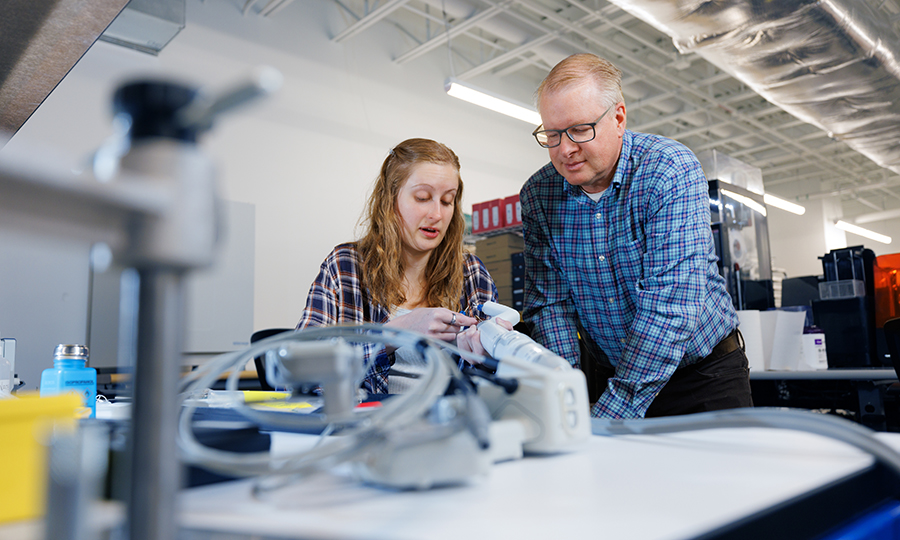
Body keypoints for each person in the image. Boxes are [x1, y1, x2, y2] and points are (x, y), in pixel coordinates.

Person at [520, 53, 752, 419]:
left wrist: (609, 415)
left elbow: (670, 304)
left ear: (618, 118)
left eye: (580, 130)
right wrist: (566, 395)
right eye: (551, 134)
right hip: (609, 377)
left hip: (702, 379)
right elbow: (551, 305)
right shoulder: (539, 195)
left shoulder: (668, 170)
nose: (564, 149)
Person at [297, 138, 500, 394]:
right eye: (423, 197)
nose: (437, 214)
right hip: (368, 428)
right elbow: (297, 373)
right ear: (390, 200)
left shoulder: (471, 273)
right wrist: (397, 332)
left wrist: (496, 350)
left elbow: (493, 384)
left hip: (451, 426)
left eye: (447, 201)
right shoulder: (345, 267)